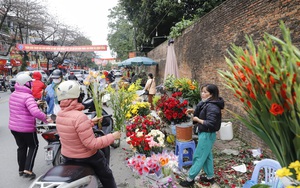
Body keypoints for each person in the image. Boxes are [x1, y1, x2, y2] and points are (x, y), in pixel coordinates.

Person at [55, 80, 121, 188]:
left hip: (67, 156)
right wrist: (112, 137)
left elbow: (73, 130)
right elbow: (92, 144)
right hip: (86, 156)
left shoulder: (60, 115)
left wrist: (90, 122)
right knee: (106, 175)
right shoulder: (79, 116)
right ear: (77, 97)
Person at [179, 83, 225, 187]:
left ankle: (190, 179)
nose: (202, 94)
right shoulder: (209, 103)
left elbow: (211, 123)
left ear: (211, 94)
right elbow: (206, 113)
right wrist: (194, 111)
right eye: (202, 91)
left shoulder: (213, 107)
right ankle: (210, 176)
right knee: (207, 156)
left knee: (199, 156)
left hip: (207, 134)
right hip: (205, 133)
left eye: (205, 92)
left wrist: (197, 119)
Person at [8, 74, 50, 179]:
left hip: (14, 128)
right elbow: (35, 112)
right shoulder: (28, 96)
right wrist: (46, 118)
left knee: (21, 147)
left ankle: (21, 170)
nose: (32, 84)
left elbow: (21, 105)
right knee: (33, 146)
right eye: (30, 82)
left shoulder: (14, 94)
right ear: (26, 83)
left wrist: (35, 102)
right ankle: (28, 170)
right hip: (26, 128)